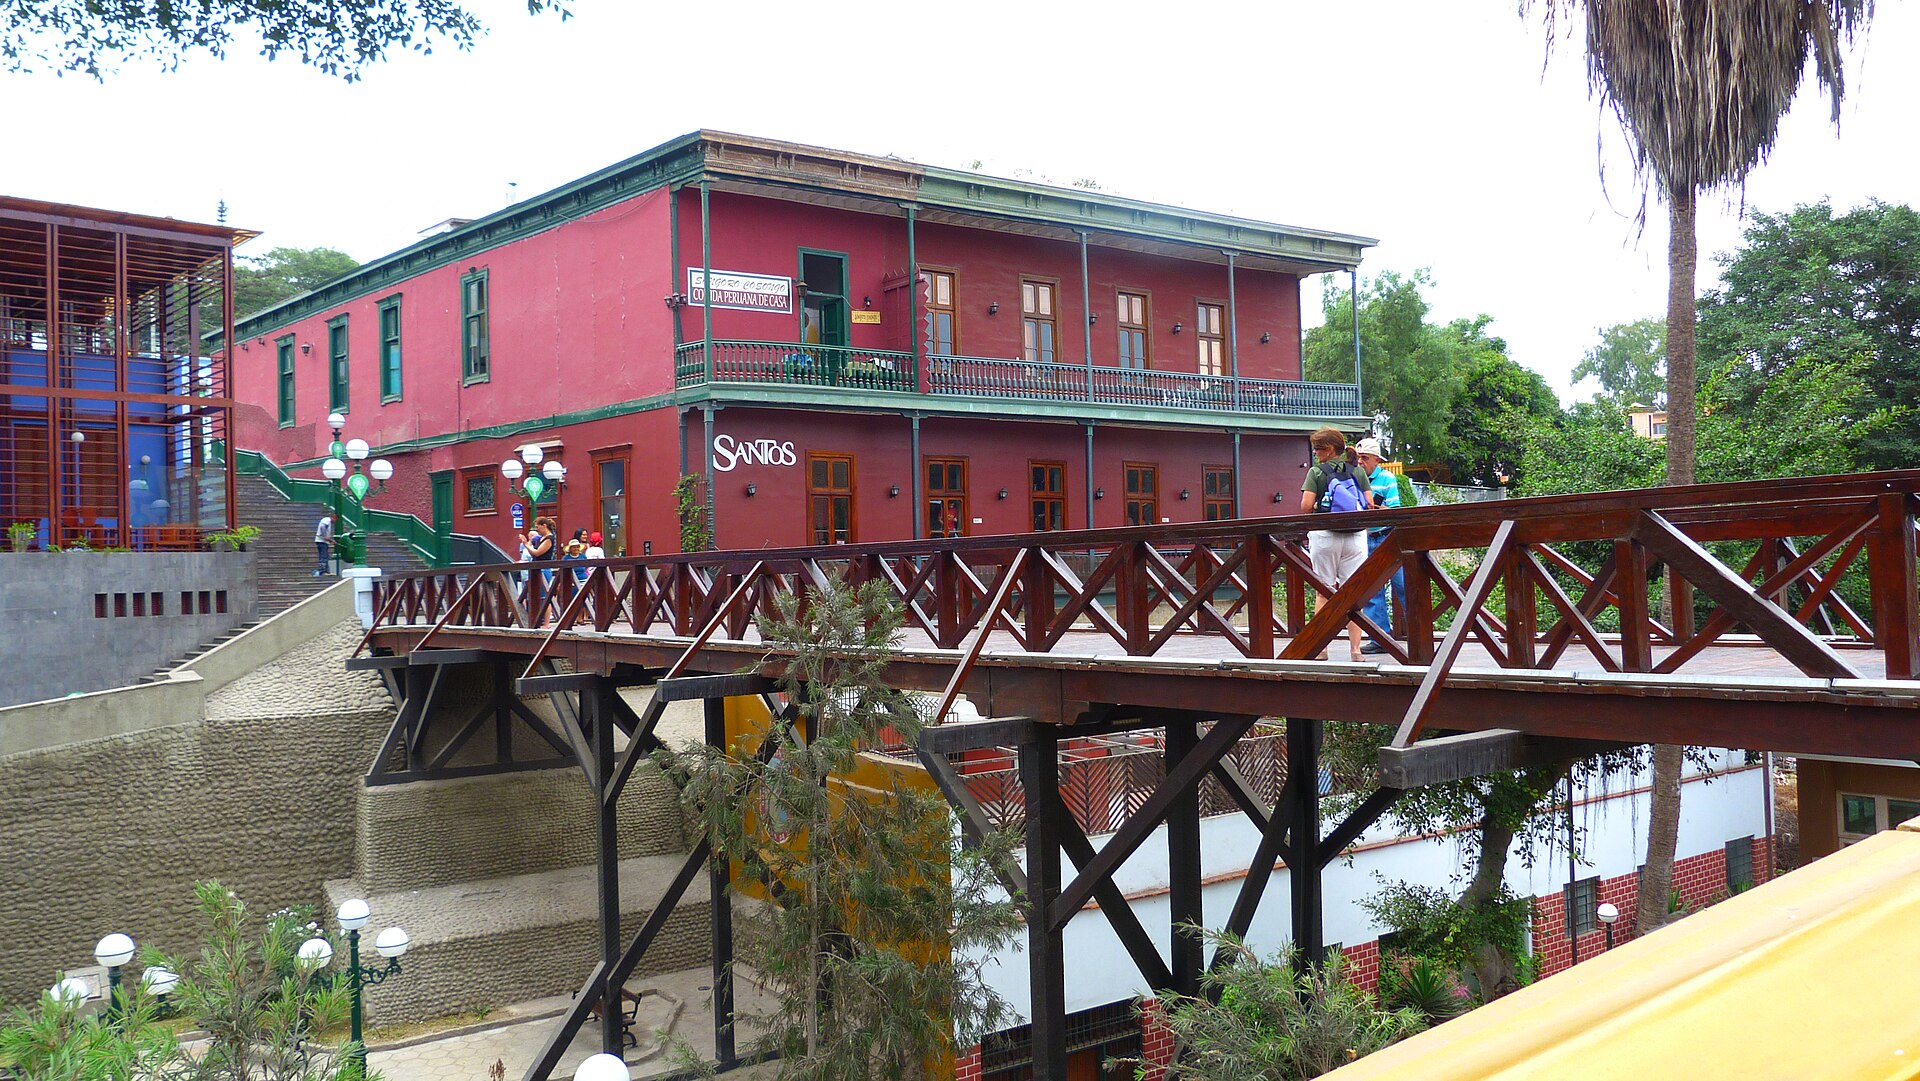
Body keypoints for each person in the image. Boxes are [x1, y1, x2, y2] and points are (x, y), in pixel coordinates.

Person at [1298, 426, 1376, 661]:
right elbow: (1369, 504)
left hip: (1325, 536)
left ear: (1329, 449)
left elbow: (1305, 506)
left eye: (1318, 449)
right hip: (1355, 537)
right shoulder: (1357, 471)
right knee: (1353, 593)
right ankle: (1356, 650)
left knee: (1324, 591)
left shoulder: (1316, 472)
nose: (1315, 453)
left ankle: (1321, 648)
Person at [1354, 437, 1408, 654]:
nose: (1360, 462)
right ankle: (1380, 639)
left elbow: (1395, 510)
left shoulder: (1387, 479)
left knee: (1403, 585)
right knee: (1372, 591)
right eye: (1358, 458)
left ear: (1376, 460)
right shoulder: (1354, 478)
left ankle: (1418, 633)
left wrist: (1375, 508)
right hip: (1364, 538)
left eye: (1365, 458)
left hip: (1386, 537)